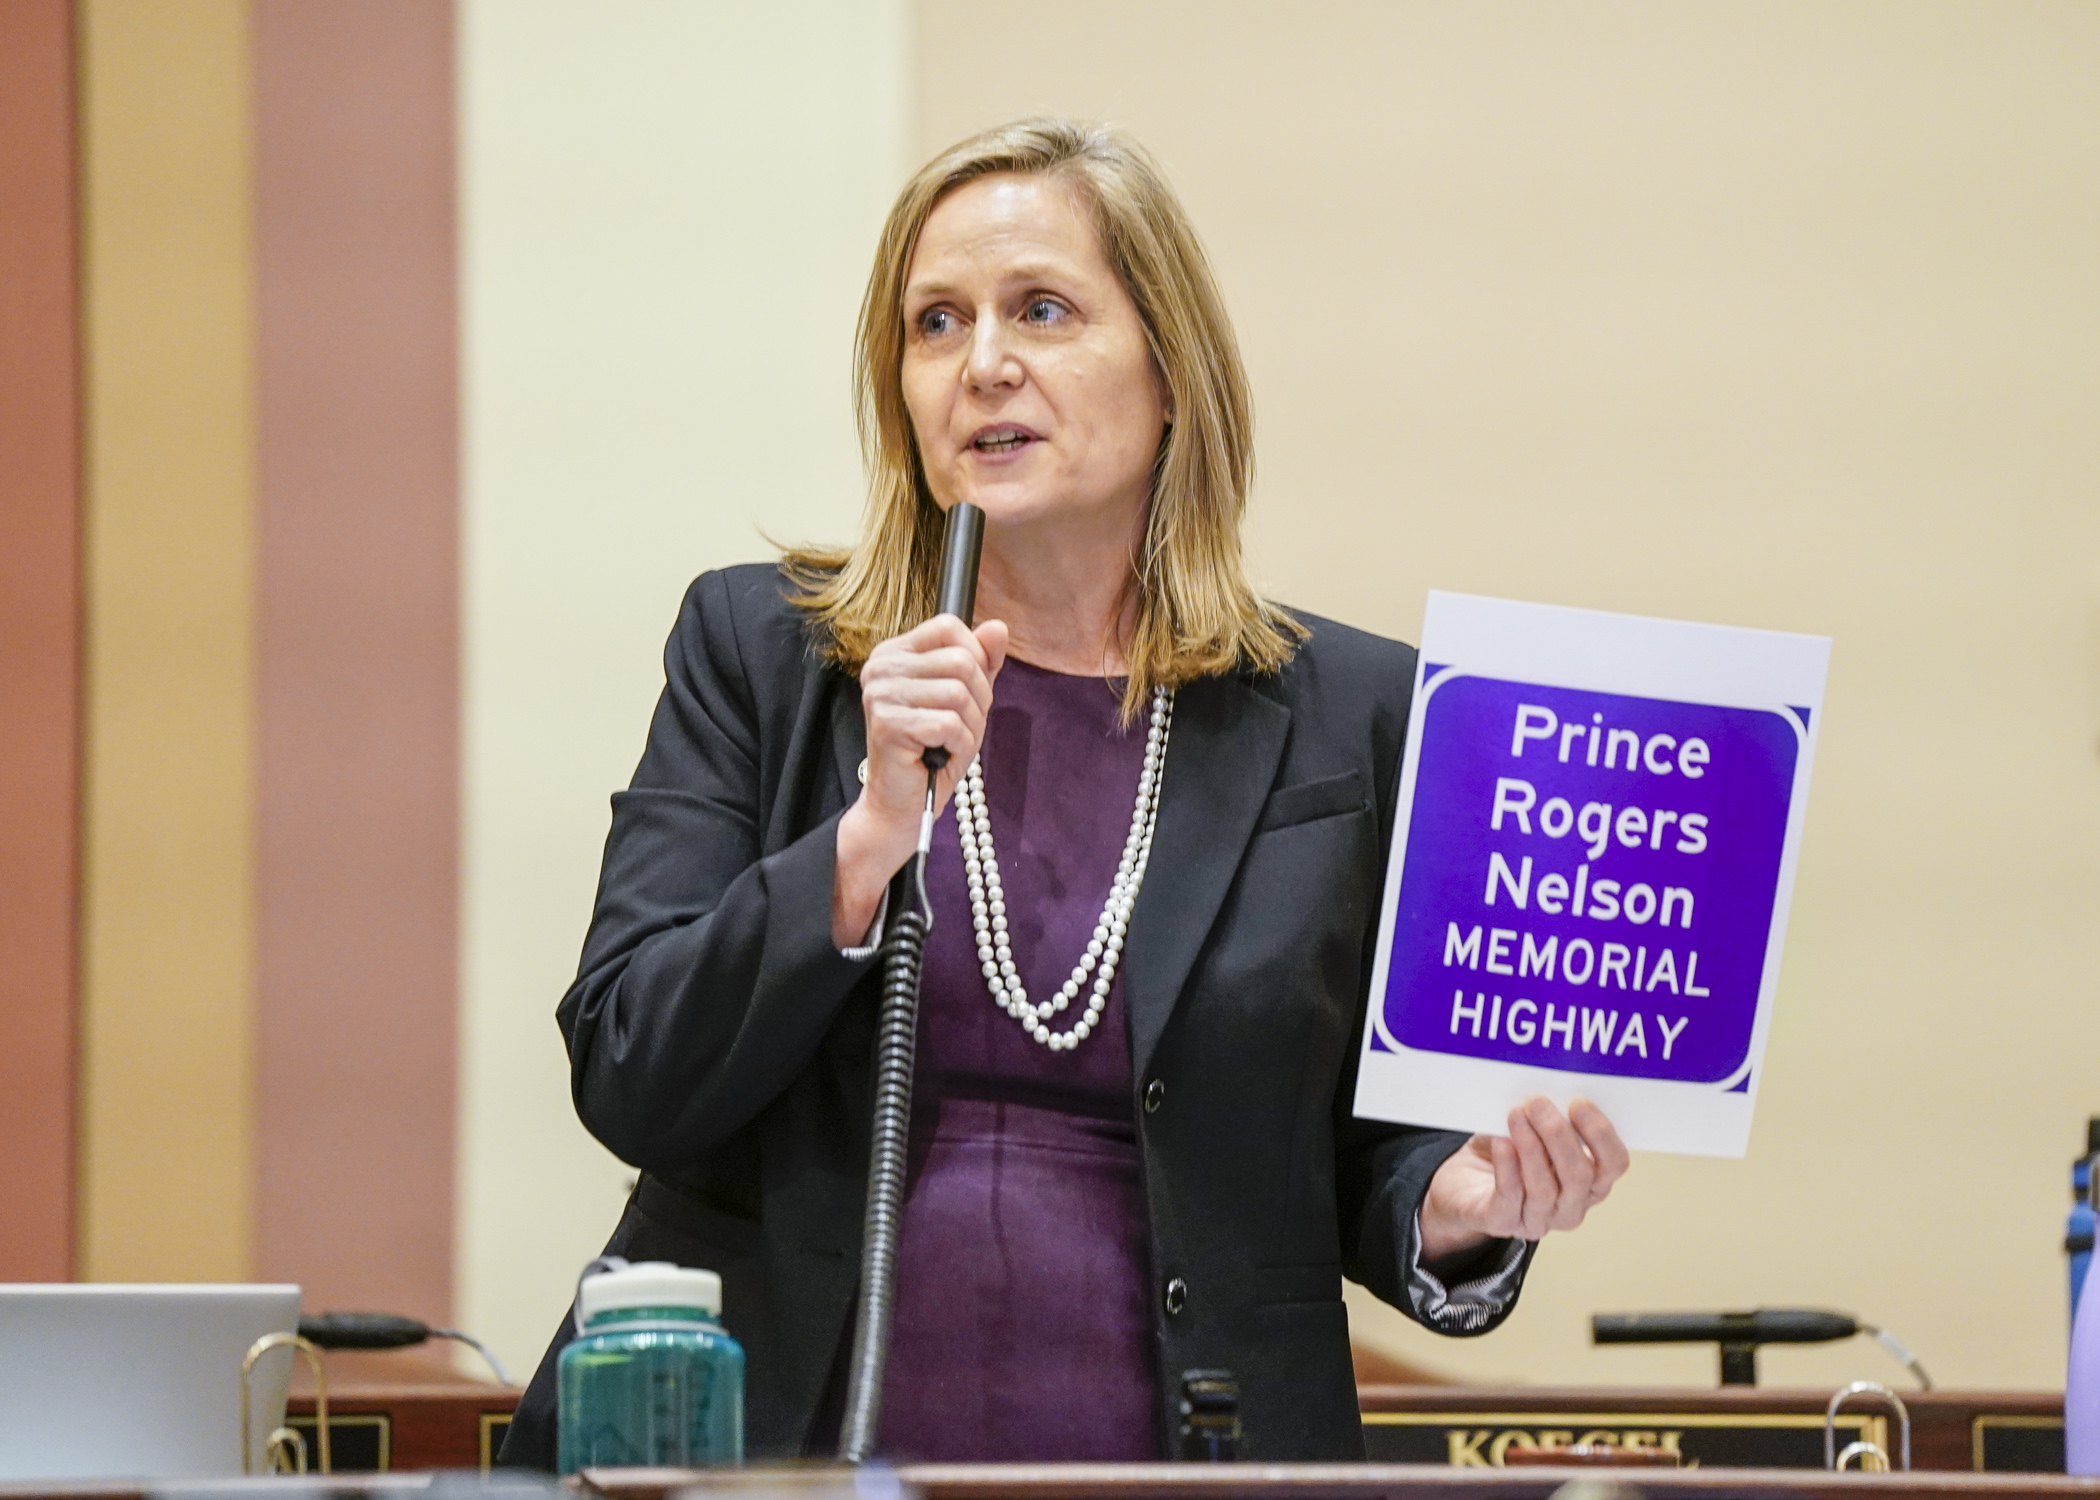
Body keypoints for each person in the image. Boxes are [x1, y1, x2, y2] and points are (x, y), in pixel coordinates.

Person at [498, 118, 1627, 1469]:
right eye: (934, 323)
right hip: (776, 1454)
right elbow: (630, 1065)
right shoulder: (765, 654)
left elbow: (1372, 1148)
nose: (983, 365)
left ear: (1170, 374)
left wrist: (1460, 1199)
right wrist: (863, 846)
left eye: (1041, 308)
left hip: (1192, 1458)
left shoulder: (1351, 716)